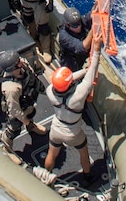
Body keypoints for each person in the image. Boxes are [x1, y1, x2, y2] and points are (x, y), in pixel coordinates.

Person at [44, 37, 102, 184]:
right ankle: (87, 177)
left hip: (56, 129)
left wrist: (83, 71)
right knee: (84, 153)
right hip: (73, 133)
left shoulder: (50, 91)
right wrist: (96, 50)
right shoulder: (78, 96)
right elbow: (91, 76)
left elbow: (68, 80)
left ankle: (46, 175)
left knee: (52, 153)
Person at [0, 50, 47, 151]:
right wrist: (26, 122)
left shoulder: (22, 65)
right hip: (17, 110)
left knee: (30, 114)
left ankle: (31, 127)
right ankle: (6, 147)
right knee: (13, 130)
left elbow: (32, 75)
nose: (21, 63)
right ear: (12, 69)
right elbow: (14, 110)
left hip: (28, 102)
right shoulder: (11, 88)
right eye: (18, 64)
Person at [58, 7, 93, 72]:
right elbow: (83, 47)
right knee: (71, 75)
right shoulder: (64, 36)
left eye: (79, 24)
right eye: (75, 26)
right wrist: (93, 30)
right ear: (68, 25)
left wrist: (96, 8)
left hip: (81, 56)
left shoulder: (78, 21)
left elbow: (90, 16)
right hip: (70, 60)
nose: (79, 27)